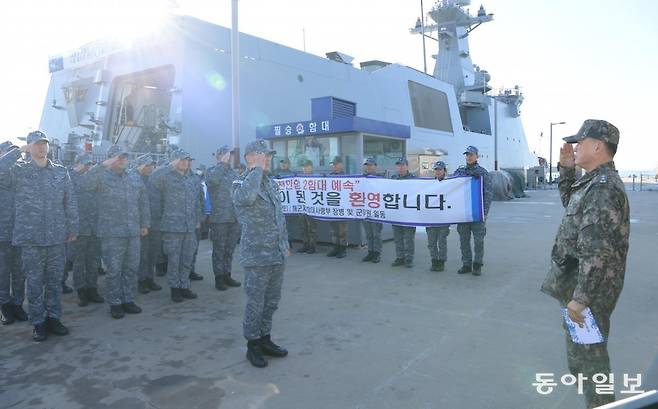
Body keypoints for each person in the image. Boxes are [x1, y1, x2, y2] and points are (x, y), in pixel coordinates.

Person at [541, 119, 629, 409]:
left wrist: (581, 298)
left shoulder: (603, 188)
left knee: (591, 363)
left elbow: (597, 251)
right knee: (581, 359)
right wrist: (567, 170)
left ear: (598, 146)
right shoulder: (592, 181)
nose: (575, 147)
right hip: (580, 285)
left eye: (580, 142)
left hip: (589, 292)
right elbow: (571, 203)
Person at [0, 131, 78, 341]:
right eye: (36, 144)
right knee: (34, 283)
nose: (42, 147)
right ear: (29, 147)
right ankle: (38, 322)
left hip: (56, 238)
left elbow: (69, 201)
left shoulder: (61, 172)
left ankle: (54, 317)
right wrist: (18, 152)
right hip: (31, 239)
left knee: (54, 282)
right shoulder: (19, 172)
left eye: (44, 144)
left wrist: (73, 228)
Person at [232, 139, 289, 368]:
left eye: (268, 156)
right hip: (256, 255)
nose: (268, 159)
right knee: (256, 303)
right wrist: (255, 169)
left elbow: (279, 216)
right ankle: (252, 344)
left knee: (272, 301)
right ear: (250, 157)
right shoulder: (241, 182)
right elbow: (245, 198)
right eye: (263, 155)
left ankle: (265, 339)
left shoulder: (270, 183)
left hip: (276, 254)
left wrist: (284, 243)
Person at [84, 144, 150, 319]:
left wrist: (144, 223)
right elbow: (86, 184)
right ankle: (115, 302)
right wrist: (103, 165)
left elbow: (143, 201)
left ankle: (128, 299)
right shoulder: (101, 176)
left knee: (131, 268)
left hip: (133, 232)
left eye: (124, 157)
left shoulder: (134, 177)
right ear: (110, 158)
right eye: (118, 157)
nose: (122, 160)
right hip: (111, 233)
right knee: (114, 270)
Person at [151, 150, 203, 303]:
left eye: (188, 160)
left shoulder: (192, 178)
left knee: (187, 258)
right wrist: (169, 166)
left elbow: (197, 201)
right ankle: (175, 289)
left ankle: (184, 286)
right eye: (182, 160)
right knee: (174, 259)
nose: (186, 163)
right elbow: (153, 178)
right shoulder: (165, 176)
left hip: (189, 226)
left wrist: (198, 219)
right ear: (174, 161)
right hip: (172, 227)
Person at [69, 153, 105, 306]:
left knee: (93, 261)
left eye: (90, 165)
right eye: (85, 164)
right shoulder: (70, 178)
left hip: (94, 227)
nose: (88, 167)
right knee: (79, 262)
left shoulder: (95, 180)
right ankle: (81, 291)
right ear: (77, 164)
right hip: (79, 228)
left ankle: (92, 288)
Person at [206, 145, 242, 291]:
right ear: (219, 156)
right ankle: (219, 278)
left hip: (233, 218)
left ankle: (227, 274)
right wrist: (222, 163)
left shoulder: (233, 174)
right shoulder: (212, 171)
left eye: (231, 155)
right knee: (219, 250)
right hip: (220, 218)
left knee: (230, 249)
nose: (230, 157)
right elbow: (213, 181)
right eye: (227, 155)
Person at [452, 146, 493, 276]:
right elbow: (450, 186)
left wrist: (484, 213)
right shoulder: (459, 172)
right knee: (464, 240)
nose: (469, 157)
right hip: (463, 213)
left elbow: (488, 194)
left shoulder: (482, 173)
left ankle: (477, 264)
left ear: (477, 156)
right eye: (467, 155)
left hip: (477, 213)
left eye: (471, 155)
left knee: (478, 241)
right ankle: (466, 264)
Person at [0, 141, 27, 325]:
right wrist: (18, 151)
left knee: (19, 272)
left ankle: (18, 304)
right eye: (8, 153)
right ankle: (5, 306)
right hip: (2, 233)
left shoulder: (21, 172)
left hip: (21, 232)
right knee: (2, 273)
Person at [133, 154, 163, 295]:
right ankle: (141, 280)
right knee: (142, 254)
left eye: (151, 165)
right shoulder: (133, 180)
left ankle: (150, 278)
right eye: (147, 165)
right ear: (140, 165)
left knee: (153, 253)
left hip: (155, 222)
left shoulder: (153, 180)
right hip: (141, 224)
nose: (150, 168)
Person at [390, 157, 416, 268]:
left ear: (407, 166)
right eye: (398, 165)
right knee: (398, 237)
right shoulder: (393, 179)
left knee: (409, 238)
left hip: (409, 214)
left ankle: (409, 258)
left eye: (402, 165)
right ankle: (400, 257)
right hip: (396, 213)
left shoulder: (414, 179)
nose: (400, 167)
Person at [426, 161, 450, 272]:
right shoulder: (429, 184)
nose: (438, 171)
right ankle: (434, 260)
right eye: (436, 169)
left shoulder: (451, 183)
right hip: (431, 218)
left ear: (444, 170)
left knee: (441, 241)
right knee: (431, 242)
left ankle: (441, 262)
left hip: (443, 219)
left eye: (440, 169)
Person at [361, 157, 382, 263]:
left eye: (371, 165)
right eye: (367, 165)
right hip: (365, 210)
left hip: (376, 211)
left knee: (376, 234)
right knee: (368, 234)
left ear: (375, 166)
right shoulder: (362, 179)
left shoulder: (381, 178)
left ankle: (377, 253)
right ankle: (370, 252)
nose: (369, 167)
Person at [326, 156, 348, 258]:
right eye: (333, 164)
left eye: (336, 164)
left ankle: (342, 249)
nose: (334, 166)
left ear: (341, 164)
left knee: (342, 230)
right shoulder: (330, 176)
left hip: (342, 207)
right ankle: (335, 247)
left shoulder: (346, 177)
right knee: (333, 229)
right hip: (332, 205)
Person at [297, 160, 317, 254]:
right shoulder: (299, 178)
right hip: (302, 206)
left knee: (311, 229)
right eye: (304, 167)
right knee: (302, 227)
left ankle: (312, 246)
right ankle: (305, 245)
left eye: (307, 166)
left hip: (312, 207)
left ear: (311, 167)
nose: (305, 168)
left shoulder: (316, 178)